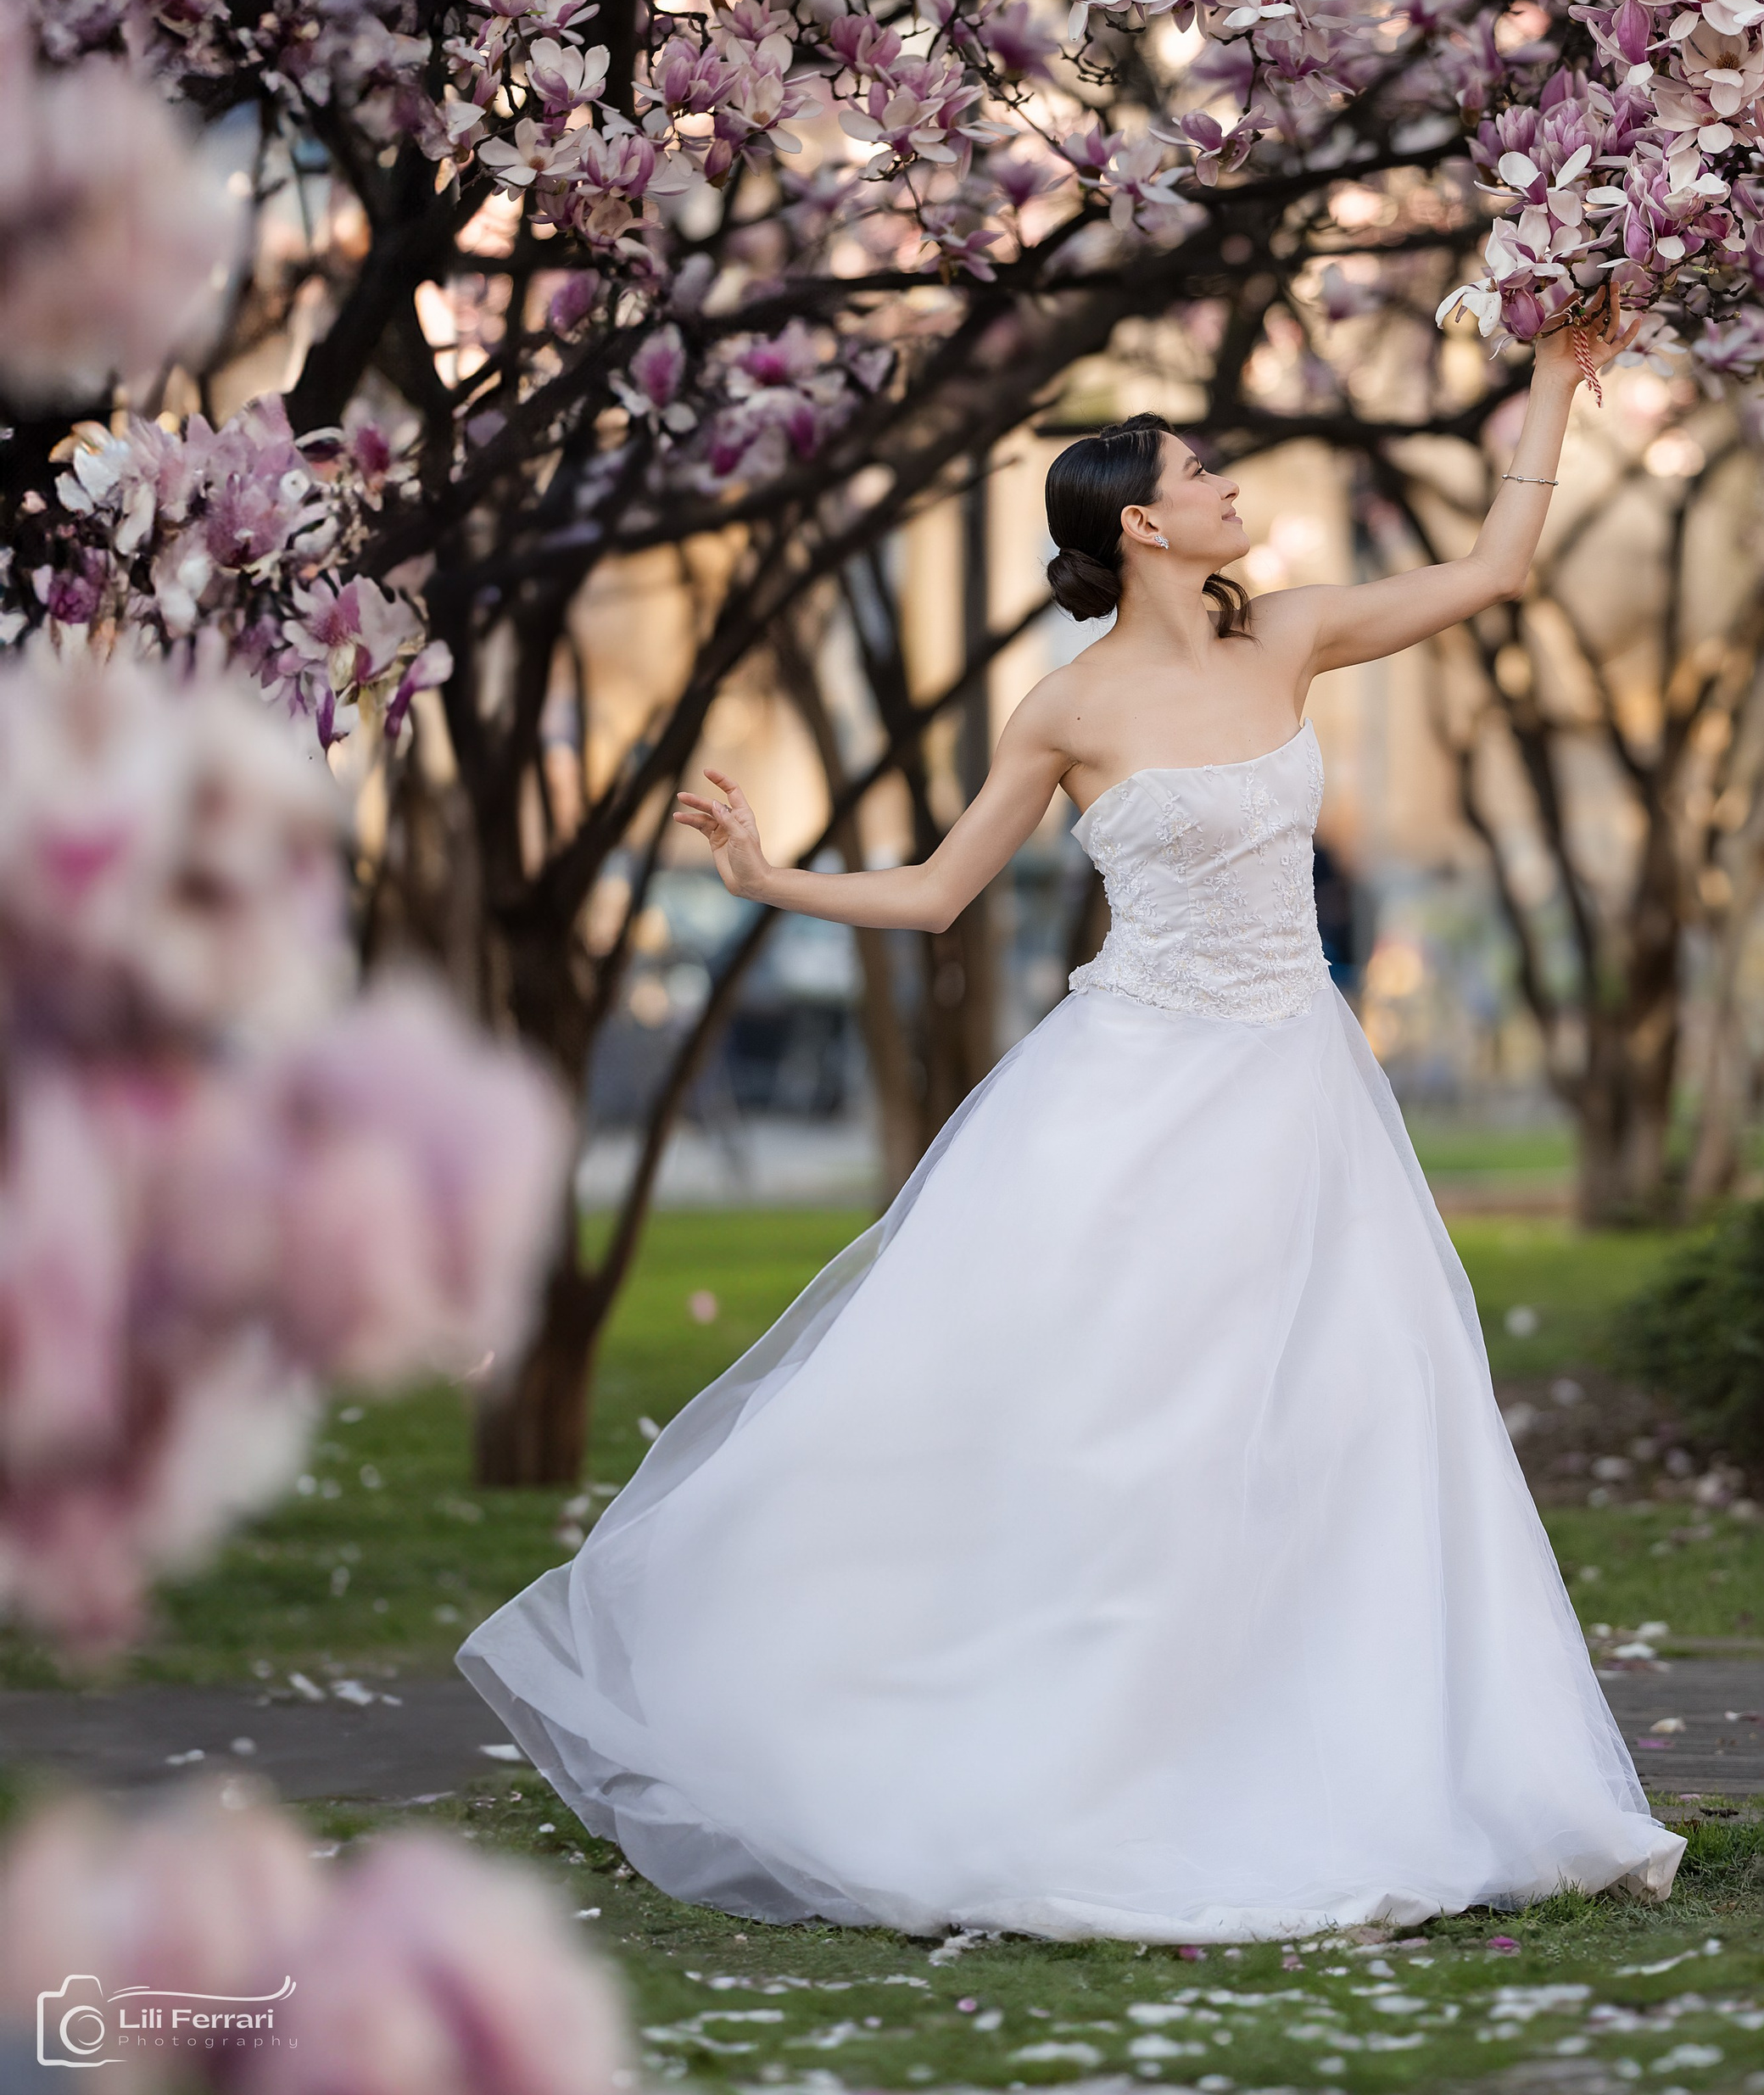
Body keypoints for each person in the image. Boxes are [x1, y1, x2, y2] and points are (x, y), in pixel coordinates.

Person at [459, 316, 1683, 1939]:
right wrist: (768, 878)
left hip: (1300, 1092)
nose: (1233, 488)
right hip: (1129, 1097)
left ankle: (1321, 1736)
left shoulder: (1291, 636)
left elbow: (1494, 569)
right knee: (1118, 1420)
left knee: (1346, 1408)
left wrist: (1548, 377)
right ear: (1140, 526)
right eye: (1205, 475)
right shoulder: (1067, 708)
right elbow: (935, 893)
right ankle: (1052, 1728)